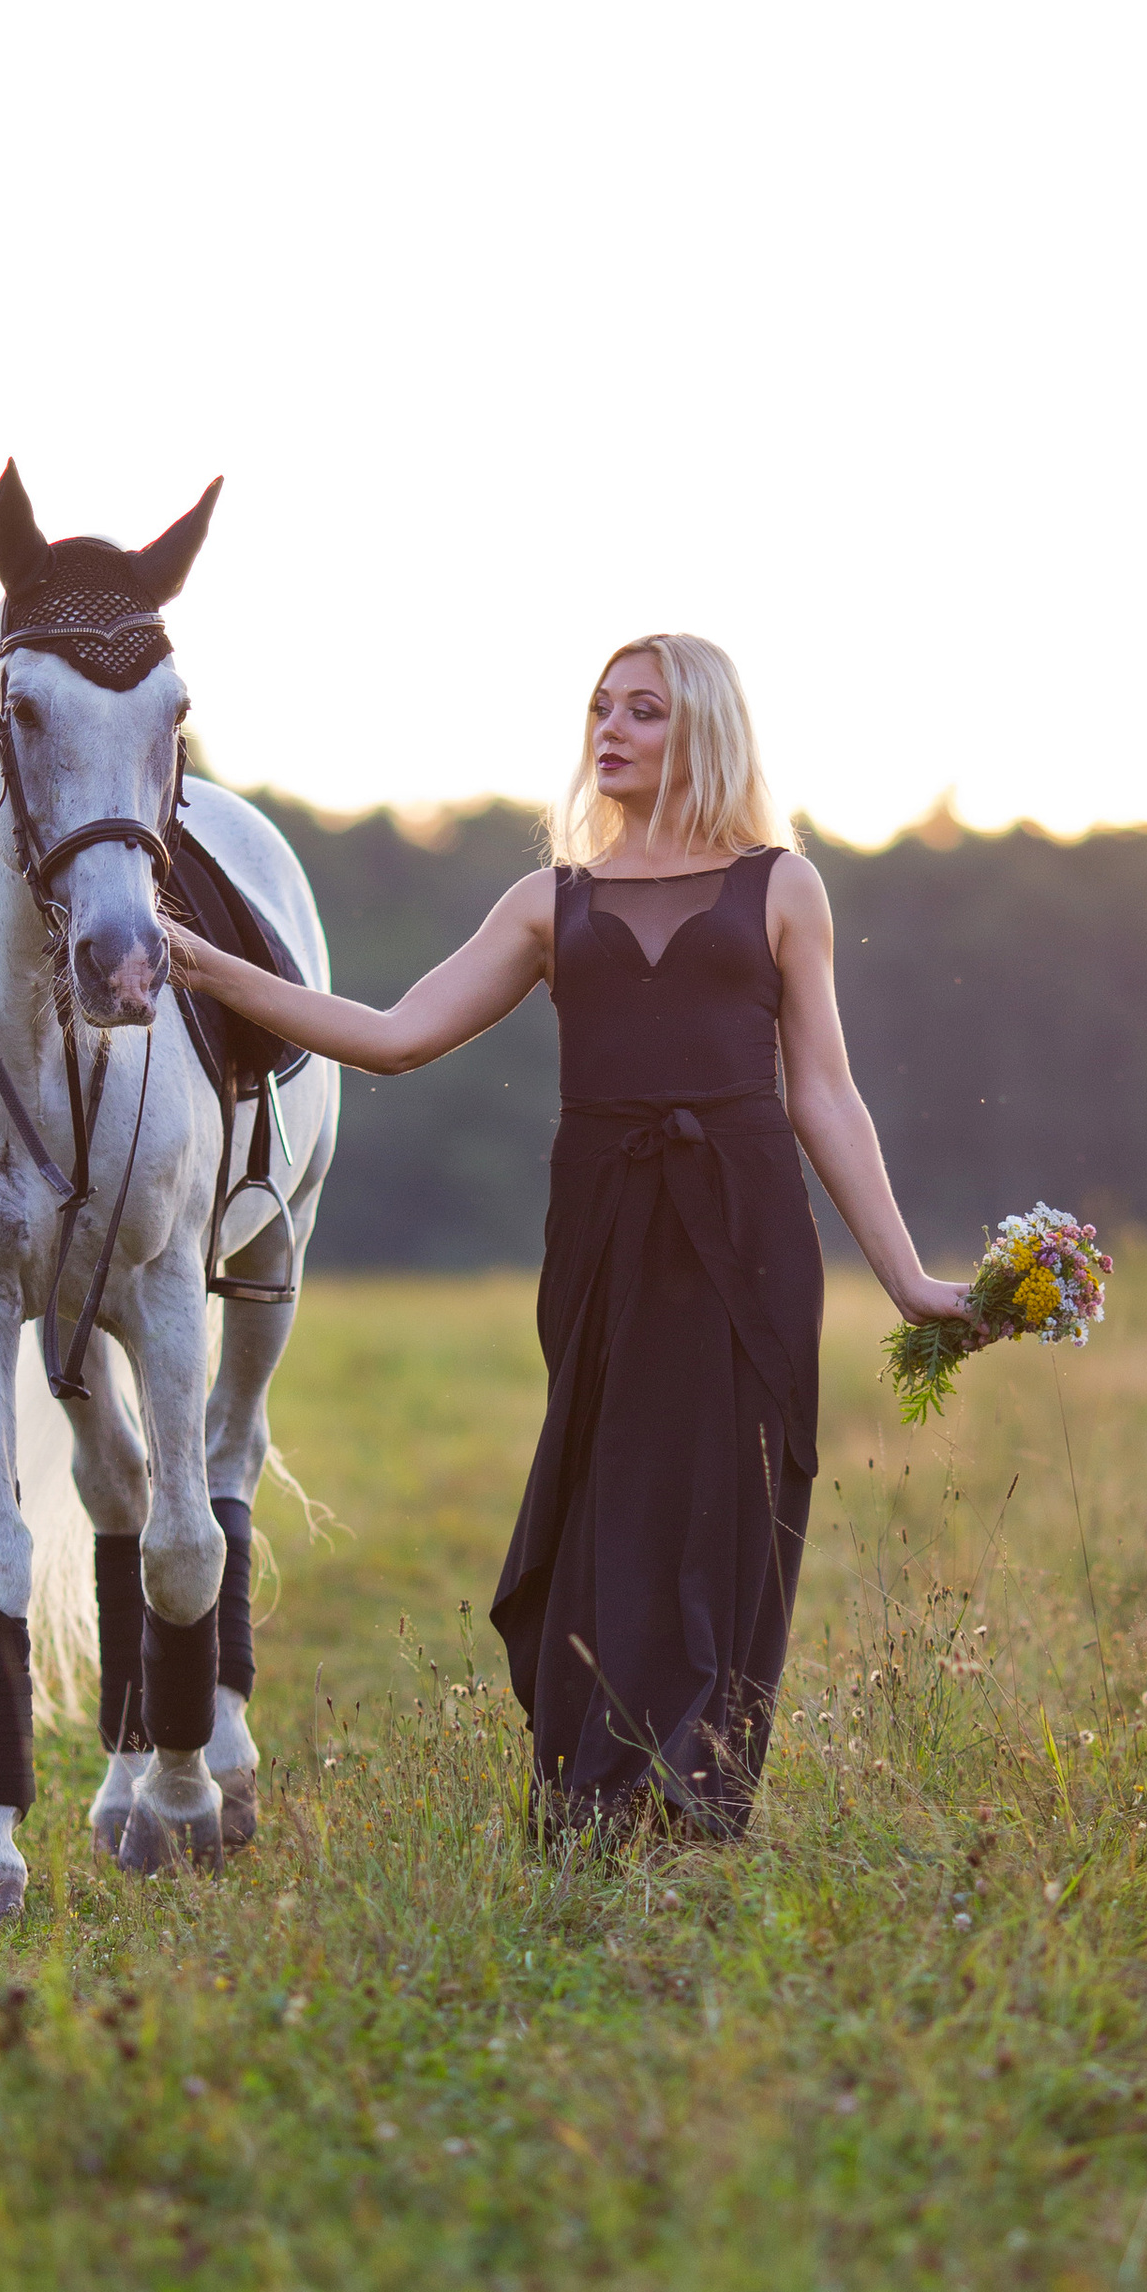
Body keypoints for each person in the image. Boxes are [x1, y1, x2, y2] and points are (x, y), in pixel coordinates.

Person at [168, 636, 966, 1836]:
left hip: (746, 1225)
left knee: (732, 1504)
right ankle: (590, 1796)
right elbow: (391, 1036)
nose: (612, 728)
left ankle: (698, 1799)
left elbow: (825, 1094)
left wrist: (904, 1276)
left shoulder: (782, 885)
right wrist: (203, 963)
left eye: (644, 710)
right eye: (601, 707)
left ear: (700, 728)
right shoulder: (550, 901)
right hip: (603, 1227)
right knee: (605, 1499)